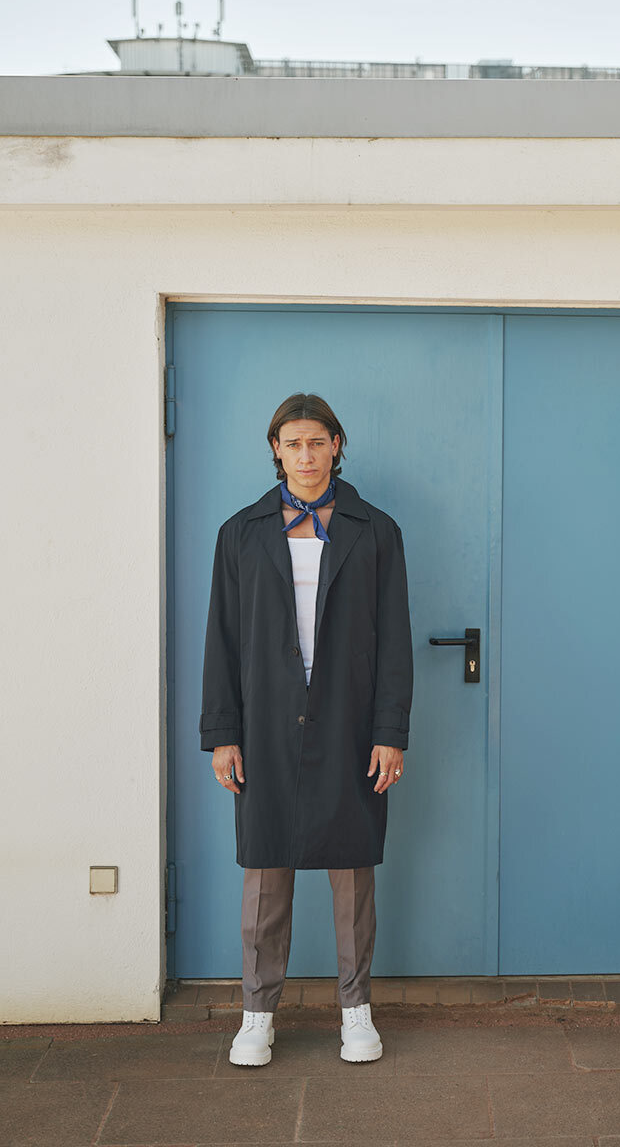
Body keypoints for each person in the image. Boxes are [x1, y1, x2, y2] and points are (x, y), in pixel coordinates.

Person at [198, 391, 414, 1066]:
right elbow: (222, 640)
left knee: (352, 870)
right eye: (293, 443)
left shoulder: (376, 532)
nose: (306, 455)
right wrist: (223, 734)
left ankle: (356, 1011)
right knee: (266, 870)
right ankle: (257, 1014)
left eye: (317, 442)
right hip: (265, 721)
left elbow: (394, 641)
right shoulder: (240, 533)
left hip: (349, 721)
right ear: (276, 450)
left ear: (336, 446)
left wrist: (389, 731)